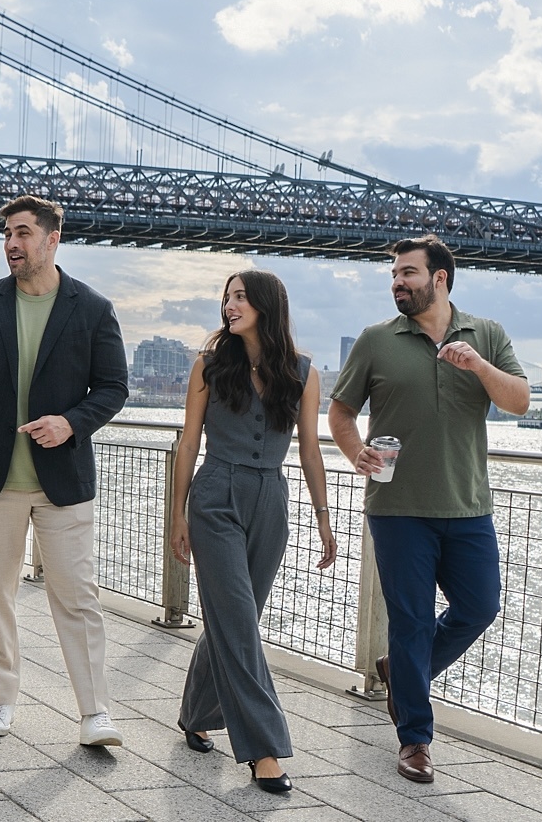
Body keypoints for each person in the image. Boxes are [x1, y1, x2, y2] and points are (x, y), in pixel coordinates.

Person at [327, 234, 530, 784]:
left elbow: (519, 401)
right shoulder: (376, 340)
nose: (397, 282)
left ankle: (400, 671)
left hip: (468, 505)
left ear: (439, 278)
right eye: (394, 274)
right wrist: (355, 450)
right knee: (412, 621)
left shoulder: (486, 334)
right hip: (397, 507)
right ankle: (415, 739)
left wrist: (480, 367)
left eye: (408, 273)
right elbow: (341, 411)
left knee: (480, 607)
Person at [0, 194, 130, 746]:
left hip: (63, 481)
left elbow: (113, 387)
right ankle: (0, 698)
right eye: (7, 235)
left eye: (22, 233)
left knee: (78, 597)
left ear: (52, 239)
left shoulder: (93, 308)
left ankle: (95, 713)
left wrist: (71, 422)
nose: (12, 244)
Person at [168, 270, 337, 794]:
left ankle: (196, 713)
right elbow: (189, 442)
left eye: (240, 297)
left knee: (236, 618)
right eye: (227, 298)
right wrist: (178, 514)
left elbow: (310, 449)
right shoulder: (209, 365)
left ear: (267, 305)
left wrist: (323, 518)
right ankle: (265, 749)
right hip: (215, 497)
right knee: (239, 623)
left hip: (271, 500)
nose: (229, 305)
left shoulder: (303, 373)